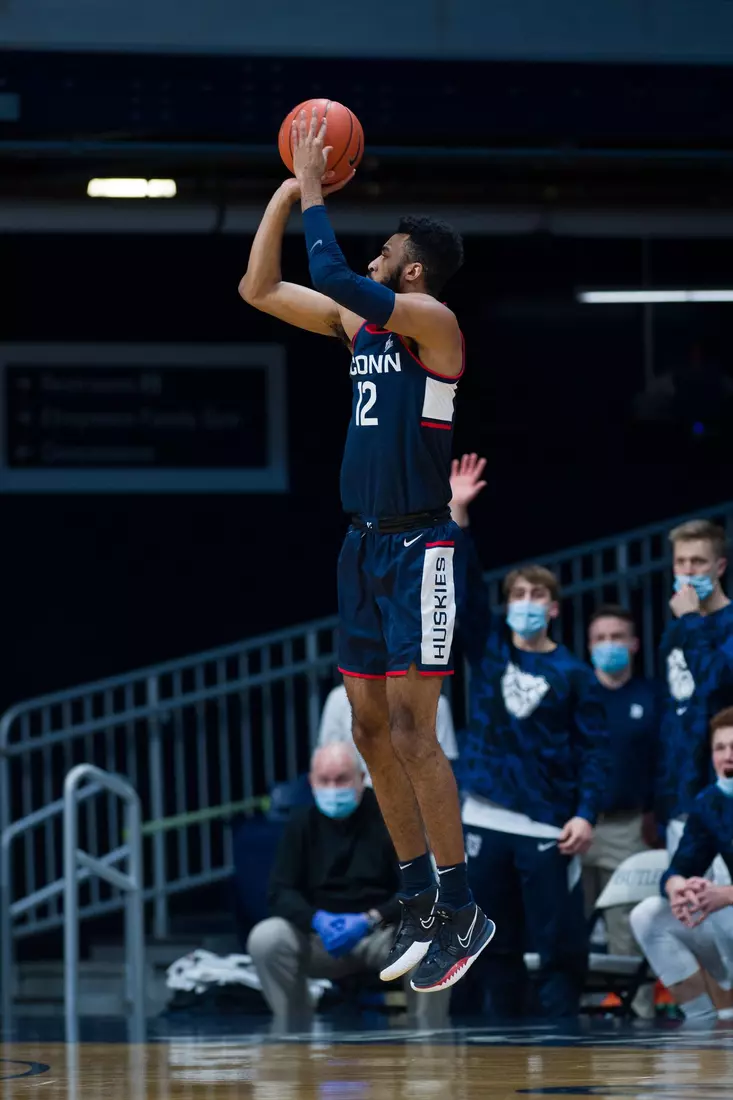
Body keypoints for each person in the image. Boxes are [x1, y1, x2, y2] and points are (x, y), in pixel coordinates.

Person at [240, 105, 493, 994]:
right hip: (361, 547)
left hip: (422, 546)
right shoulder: (362, 331)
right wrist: (285, 194)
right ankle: (418, 894)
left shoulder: (434, 324)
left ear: (410, 269)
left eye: (385, 251)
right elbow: (259, 289)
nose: (373, 257)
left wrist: (314, 184)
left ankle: (462, 906)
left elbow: (329, 270)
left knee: (417, 731)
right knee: (366, 728)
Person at [448, 454, 609, 1017]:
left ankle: (562, 1036)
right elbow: (466, 589)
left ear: (554, 608)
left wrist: (586, 814)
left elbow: (595, 751)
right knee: (491, 942)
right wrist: (458, 514)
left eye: (536, 596)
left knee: (558, 941)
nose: (526, 605)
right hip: (485, 815)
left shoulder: (575, 673)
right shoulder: (489, 649)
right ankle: (497, 1041)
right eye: (517, 595)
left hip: (546, 822)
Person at [246, 743, 450, 1031]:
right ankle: (292, 1028)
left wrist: (372, 918)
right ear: (312, 782)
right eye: (325, 781)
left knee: (433, 935)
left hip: (383, 932)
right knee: (266, 938)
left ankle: (430, 1035)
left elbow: (420, 887)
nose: (333, 789)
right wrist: (316, 920)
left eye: (341, 779)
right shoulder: (300, 823)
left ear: (361, 778)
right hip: (321, 935)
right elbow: (279, 892)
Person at [630, 706, 733, 1023]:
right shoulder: (710, 802)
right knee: (648, 916)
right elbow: (679, 868)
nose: (728, 756)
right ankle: (702, 1021)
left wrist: (725, 895)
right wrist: (679, 888)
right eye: (720, 748)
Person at [582, 605, 661, 958]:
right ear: (589, 646)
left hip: (629, 828)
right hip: (574, 828)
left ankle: (634, 998)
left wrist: (654, 812)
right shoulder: (575, 695)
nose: (608, 644)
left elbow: (663, 762)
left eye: (616, 637)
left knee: (628, 934)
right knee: (565, 930)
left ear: (634, 643)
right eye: (600, 638)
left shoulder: (652, 697)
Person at [657, 519, 733, 861]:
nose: (688, 571)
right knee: (686, 890)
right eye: (681, 562)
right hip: (680, 798)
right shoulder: (675, 632)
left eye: (698, 562)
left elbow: (716, 682)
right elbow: (671, 712)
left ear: (720, 566)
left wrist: (690, 619)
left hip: (722, 792)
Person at [317, 683, 459, 785]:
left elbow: (441, 777)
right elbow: (328, 766)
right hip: (356, 803)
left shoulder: (436, 704)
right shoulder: (339, 700)